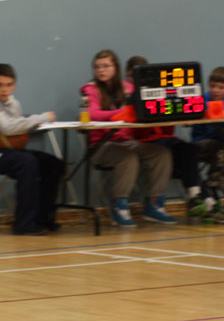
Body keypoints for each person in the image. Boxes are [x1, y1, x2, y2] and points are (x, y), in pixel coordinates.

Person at [80, 49, 175, 227]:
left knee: (161, 153)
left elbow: (144, 106)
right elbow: (92, 113)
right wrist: (122, 113)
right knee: (128, 157)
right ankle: (119, 206)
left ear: (116, 68)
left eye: (106, 66)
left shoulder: (128, 88)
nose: (101, 70)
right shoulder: (90, 89)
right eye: (97, 67)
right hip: (101, 146)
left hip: (127, 141)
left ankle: (154, 204)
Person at [0, 64, 65, 235]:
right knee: (27, 162)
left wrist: (24, 129)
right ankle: (23, 224)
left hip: (7, 149)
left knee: (53, 163)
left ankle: (43, 218)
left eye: (8, 85)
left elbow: (18, 129)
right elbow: (8, 128)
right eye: (0, 85)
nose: (4, 89)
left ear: (14, 85)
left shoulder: (14, 103)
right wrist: (42, 117)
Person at [125, 56, 209, 219]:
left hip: (165, 140)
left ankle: (197, 197)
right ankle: (203, 199)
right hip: (144, 142)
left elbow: (171, 122)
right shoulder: (132, 97)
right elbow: (134, 129)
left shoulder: (163, 93)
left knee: (188, 150)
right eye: (134, 76)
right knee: (171, 152)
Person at [191, 66, 224, 223]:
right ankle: (210, 186)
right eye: (213, 86)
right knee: (221, 151)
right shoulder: (202, 100)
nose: (216, 90)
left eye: (221, 87)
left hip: (219, 145)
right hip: (202, 142)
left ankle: (211, 184)